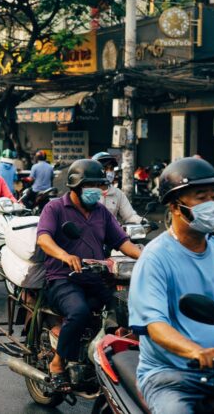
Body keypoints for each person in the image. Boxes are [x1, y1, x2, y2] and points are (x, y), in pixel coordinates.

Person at [129, 157, 214, 413]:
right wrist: (197, 352)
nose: (212, 205)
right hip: (171, 377)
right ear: (176, 207)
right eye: (201, 197)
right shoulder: (155, 258)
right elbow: (155, 326)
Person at [36, 159, 143, 389]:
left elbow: (122, 241)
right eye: (90, 185)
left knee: (124, 306)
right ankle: (58, 362)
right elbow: (43, 238)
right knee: (79, 311)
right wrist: (65, 256)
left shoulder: (102, 212)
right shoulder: (54, 208)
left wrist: (146, 258)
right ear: (75, 186)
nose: (97, 190)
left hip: (94, 277)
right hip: (62, 279)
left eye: (99, 185)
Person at [93, 152, 143, 224]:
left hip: (113, 232)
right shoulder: (88, 193)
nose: (109, 172)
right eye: (105, 168)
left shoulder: (117, 193)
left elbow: (129, 215)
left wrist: (142, 221)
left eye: (111, 169)